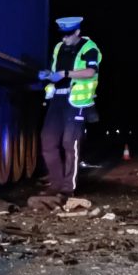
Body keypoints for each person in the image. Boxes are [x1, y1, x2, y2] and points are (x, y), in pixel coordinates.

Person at [37, 16, 102, 197]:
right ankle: (55, 185)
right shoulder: (58, 48)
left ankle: (67, 188)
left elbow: (91, 72)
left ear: (77, 32)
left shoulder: (89, 48)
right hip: (57, 100)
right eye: (62, 35)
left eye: (68, 35)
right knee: (48, 141)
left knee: (69, 143)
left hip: (76, 102)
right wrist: (49, 75)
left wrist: (64, 74)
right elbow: (56, 72)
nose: (64, 39)